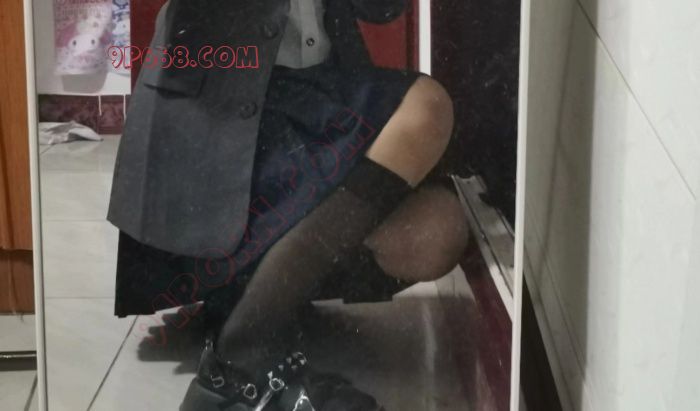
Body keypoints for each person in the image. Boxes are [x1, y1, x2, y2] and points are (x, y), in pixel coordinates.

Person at [107, 0, 469, 409]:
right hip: (223, 117)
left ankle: (262, 296)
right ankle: (240, 354)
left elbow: (381, 9)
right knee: (425, 106)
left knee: (436, 231)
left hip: (319, 99)